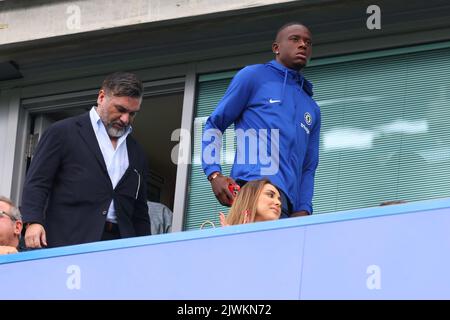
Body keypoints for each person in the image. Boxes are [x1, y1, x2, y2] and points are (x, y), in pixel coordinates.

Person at [202, 22, 321, 218]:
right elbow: (214, 124)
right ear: (276, 48)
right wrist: (214, 173)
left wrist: (304, 209)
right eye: (295, 39)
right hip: (251, 189)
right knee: (244, 248)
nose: (303, 45)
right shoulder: (254, 77)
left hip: (284, 205)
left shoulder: (311, 107)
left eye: (308, 42)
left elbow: (308, 167)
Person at [21, 72, 151, 248]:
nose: (125, 119)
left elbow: (140, 211)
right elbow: (37, 182)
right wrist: (33, 221)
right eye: (120, 109)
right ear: (101, 97)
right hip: (69, 240)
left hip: (121, 247)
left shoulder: (137, 152)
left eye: (132, 113)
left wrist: (146, 249)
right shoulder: (62, 132)